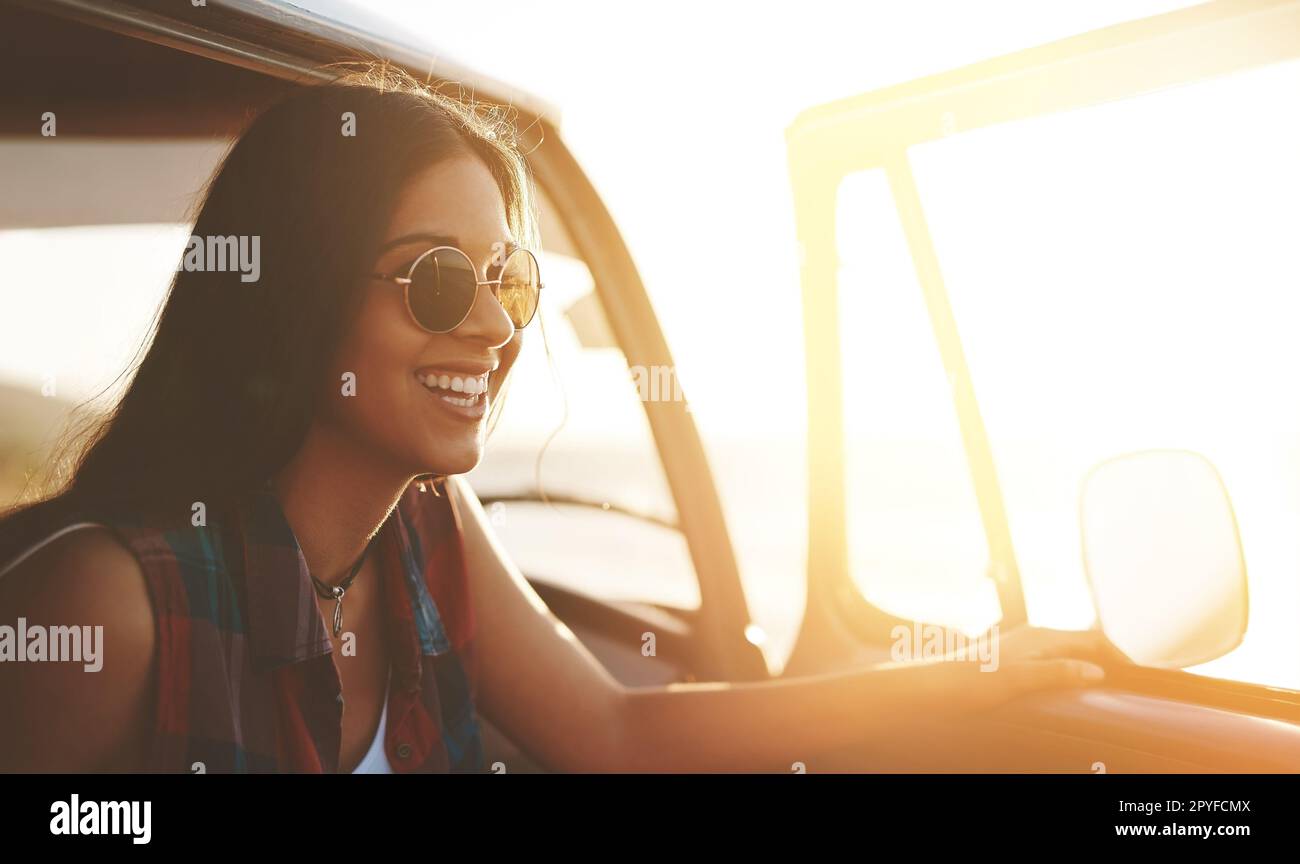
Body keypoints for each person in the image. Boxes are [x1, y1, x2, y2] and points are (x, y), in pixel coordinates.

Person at [0, 66, 1115, 773]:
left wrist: (974, 673)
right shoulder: (113, 605)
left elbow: (619, 735)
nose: (493, 326)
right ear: (299, 294)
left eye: (511, 278)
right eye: (438, 280)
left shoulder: (429, 531)